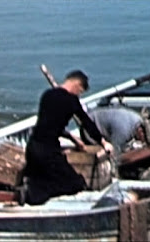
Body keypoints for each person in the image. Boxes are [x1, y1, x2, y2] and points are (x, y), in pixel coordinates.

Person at [24, 70, 114, 205]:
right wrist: (103, 141)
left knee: (44, 176)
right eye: (81, 91)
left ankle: (32, 187)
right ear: (77, 85)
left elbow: (51, 125)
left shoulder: (47, 95)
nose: (79, 94)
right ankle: (32, 194)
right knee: (75, 184)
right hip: (48, 153)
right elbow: (86, 123)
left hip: (32, 148)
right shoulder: (71, 100)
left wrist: (73, 138)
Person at [80, 106, 150, 154]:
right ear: (141, 132)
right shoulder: (124, 131)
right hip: (89, 128)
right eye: (144, 140)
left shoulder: (137, 119)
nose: (143, 142)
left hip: (100, 120)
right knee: (104, 153)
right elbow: (114, 151)